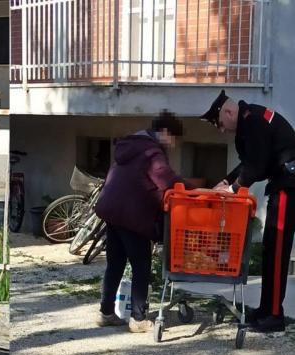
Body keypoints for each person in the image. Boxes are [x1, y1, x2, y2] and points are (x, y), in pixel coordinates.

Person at [201, 90, 295, 332]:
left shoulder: (252, 122)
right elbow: (249, 163)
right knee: (270, 250)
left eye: (220, 123)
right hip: (281, 184)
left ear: (229, 112)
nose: (222, 130)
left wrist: (233, 188)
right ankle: (266, 310)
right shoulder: (249, 121)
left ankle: (274, 316)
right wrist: (226, 181)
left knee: (276, 251)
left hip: (288, 185)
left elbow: (256, 166)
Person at [94, 111, 185, 332]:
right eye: (173, 139)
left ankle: (106, 313)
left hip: (112, 211)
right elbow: (167, 180)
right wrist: (196, 189)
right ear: (164, 133)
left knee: (115, 263)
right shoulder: (151, 152)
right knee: (141, 265)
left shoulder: (130, 146)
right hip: (131, 216)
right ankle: (138, 318)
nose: (173, 145)